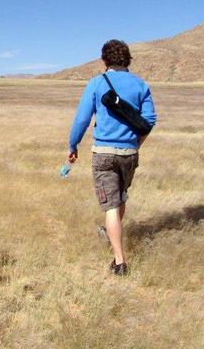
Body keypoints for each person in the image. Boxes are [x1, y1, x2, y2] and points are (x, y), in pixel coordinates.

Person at [68, 40, 156, 276]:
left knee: (110, 206)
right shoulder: (140, 85)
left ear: (105, 60)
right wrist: (136, 145)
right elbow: (149, 121)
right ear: (127, 60)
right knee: (121, 198)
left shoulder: (96, 83)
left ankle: (119, 262)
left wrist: (72, 145)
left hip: (104, 154)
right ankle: (113, 234)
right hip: (129, 154)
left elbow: (81, 119)